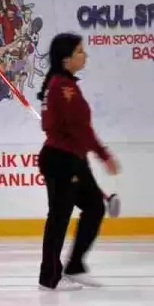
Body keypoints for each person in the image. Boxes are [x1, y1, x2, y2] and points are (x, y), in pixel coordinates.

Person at [36, 32, 120, 291]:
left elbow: (51, 124)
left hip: (71, 158)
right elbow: (81, 129)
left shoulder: (61, 85)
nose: (85, 56)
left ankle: (74, 266)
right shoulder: (63, 88)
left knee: (94, 207)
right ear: (66, 59)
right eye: (80, 52)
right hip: (62, 159)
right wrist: (104, 155)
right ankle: (49, 278)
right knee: (59, 218)